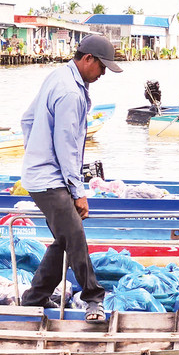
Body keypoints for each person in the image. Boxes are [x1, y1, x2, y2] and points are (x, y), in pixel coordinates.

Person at [19, 34, 122, 322]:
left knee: (63, 239)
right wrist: (78, 192)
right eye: (102, 67)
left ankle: (35, 297)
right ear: (88, 59)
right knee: (75, 237)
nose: (103, 74)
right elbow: (67, 148)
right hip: (51, 180)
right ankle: (93, 298)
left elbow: (27, 119)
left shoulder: (58, 76)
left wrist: (35, 151)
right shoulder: (71, 94)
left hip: (39, 174)